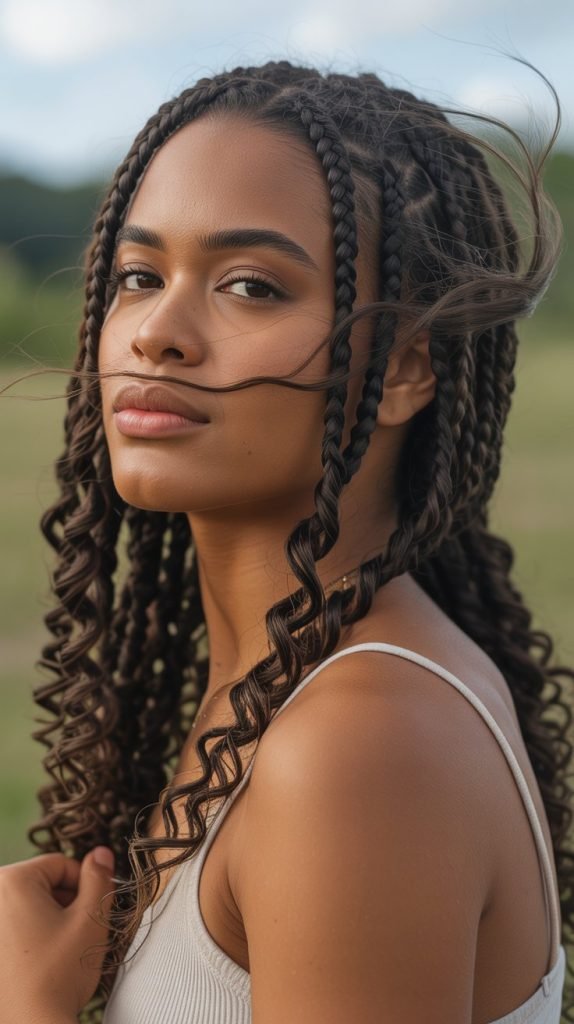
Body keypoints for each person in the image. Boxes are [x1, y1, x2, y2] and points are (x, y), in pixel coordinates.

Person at [1, 60, 571, 1024]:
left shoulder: (358, 745)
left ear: (401, 370)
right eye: (141, 276)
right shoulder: (291, 680)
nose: (159, 333)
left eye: (252, 287)